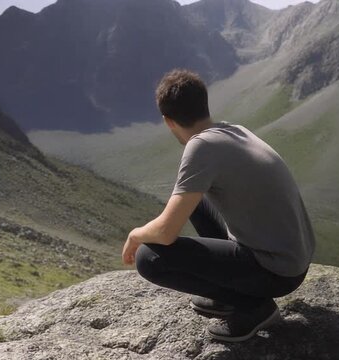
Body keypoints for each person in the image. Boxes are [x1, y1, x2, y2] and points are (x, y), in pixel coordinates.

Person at [121, 69, 316, 342]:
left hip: (278, 272)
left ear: (168, 121)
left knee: (149, 258)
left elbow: (166, 232)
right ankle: (230, 296)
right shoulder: (233, 130)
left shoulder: (200, 148)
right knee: (195, 201)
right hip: (294, 257)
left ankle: (253, 307)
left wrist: (135, 234)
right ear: (204, 104)